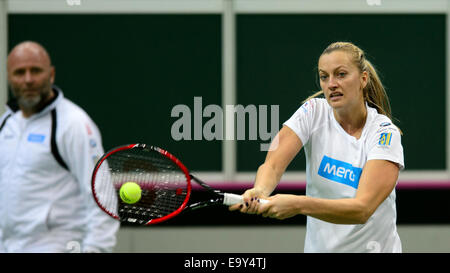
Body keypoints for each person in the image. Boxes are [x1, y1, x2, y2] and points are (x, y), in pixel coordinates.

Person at [230, 41, 404, 253]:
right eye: (324, 76)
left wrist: (297, 204)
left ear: (363, 79)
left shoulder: (384, 134)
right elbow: (273, 165)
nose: (331, 84)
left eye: (341, 74)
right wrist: (261, 190)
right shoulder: (312, 112)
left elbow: (362, 209)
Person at [0, 41, 119, 252]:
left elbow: (102, 197)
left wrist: (96, 249)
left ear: (51, 74)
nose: (28, 80)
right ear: (10, 78)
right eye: (20, 72)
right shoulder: (6, 124)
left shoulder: (74, 124)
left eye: (35, 71)